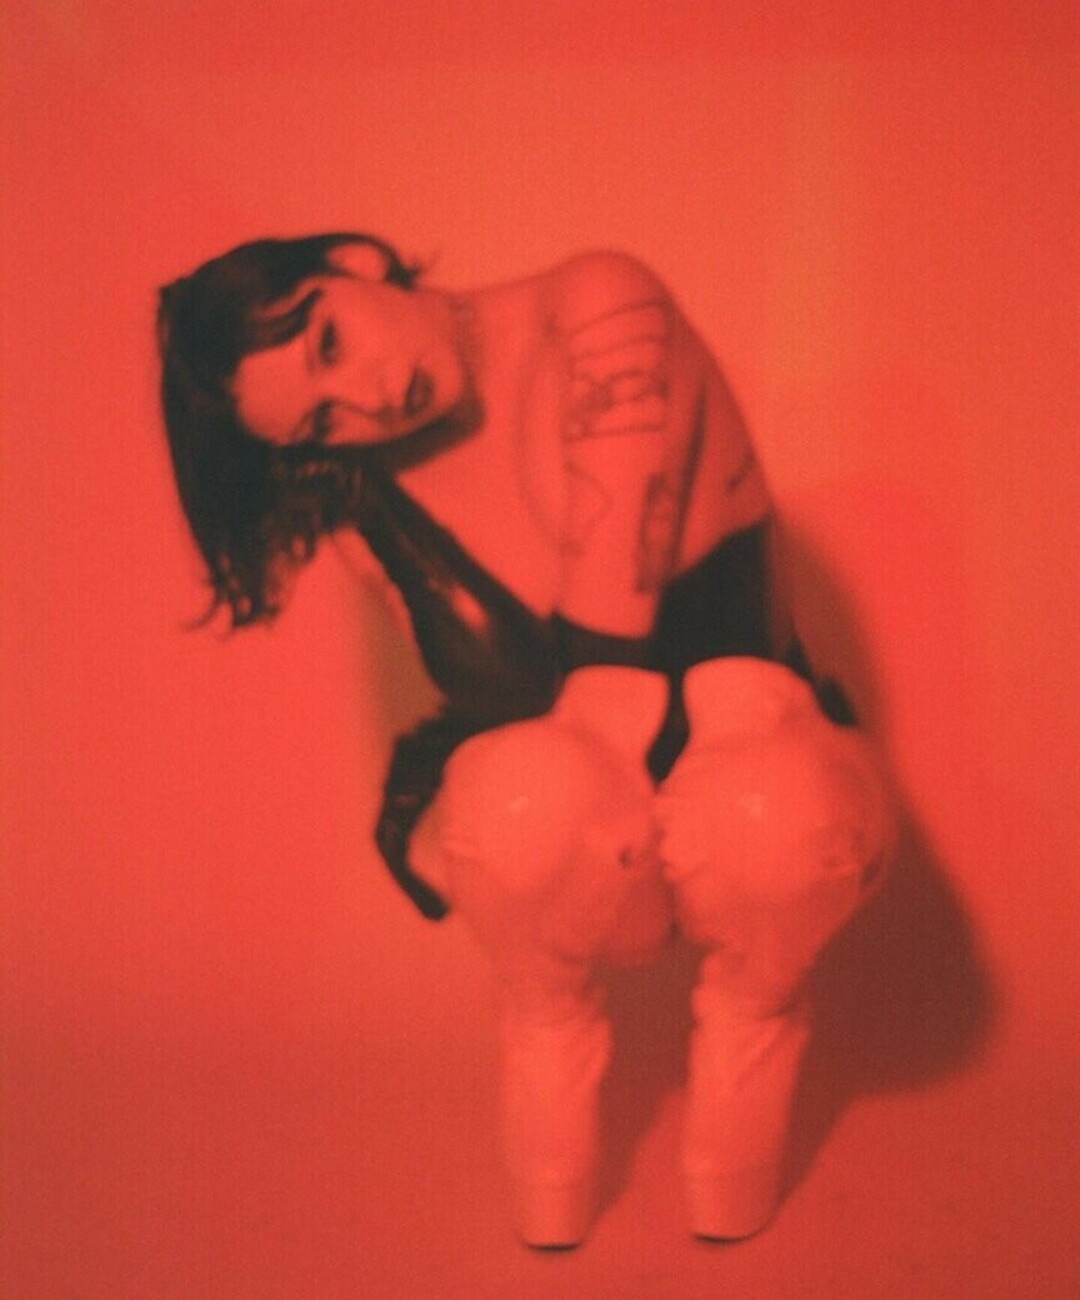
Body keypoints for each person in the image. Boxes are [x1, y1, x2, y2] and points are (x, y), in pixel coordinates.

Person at [157, 232, 894, 1248]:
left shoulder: (598, 311)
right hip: (589, 851)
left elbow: (606, 660)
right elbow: (499, 712)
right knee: (519, 806)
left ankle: (744, 1076)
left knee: (771, 818)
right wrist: (466, 828)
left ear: (357, 261)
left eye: (330, 342)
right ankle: (548, 1079)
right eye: (323, 420)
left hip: (757, 796)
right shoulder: (366, 501)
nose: (370, 399)